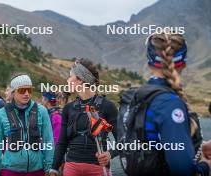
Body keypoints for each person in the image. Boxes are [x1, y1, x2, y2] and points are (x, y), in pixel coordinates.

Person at [125, 32, 211, 175]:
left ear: (148, 62)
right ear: (183, 63)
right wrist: (205, 166)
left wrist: (199, 147)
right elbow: (183, 171)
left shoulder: (142, 95)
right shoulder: (169, 104)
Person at [49, 59, 118, 176]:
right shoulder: (68, 108)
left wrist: (110, 153)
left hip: (98, 169)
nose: (67, 80)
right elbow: (62, 142)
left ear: (80, 80)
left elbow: (123, 140)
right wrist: (54, 168)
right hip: (71, 168)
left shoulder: (108, 106)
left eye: (70, 76)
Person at [0, 73, 54, 176]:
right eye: (22, 90)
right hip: (10, 170)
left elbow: (48, 140)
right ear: (13, 92)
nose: (27, 93)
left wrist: (49, 168)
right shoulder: (0, 115)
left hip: (37, 170)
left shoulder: (42, 111)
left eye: (29, 90)